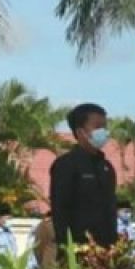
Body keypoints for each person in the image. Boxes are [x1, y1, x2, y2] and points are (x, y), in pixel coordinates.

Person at [50, 103, 118, 249]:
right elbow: (60, 212)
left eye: (105, 127)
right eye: (98, 127)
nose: (104, 132)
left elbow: (111, 211)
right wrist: (69, 249)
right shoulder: (66, 165)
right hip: (78, 251)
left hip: (107, 253)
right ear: (81, 132)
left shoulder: (107, 168)